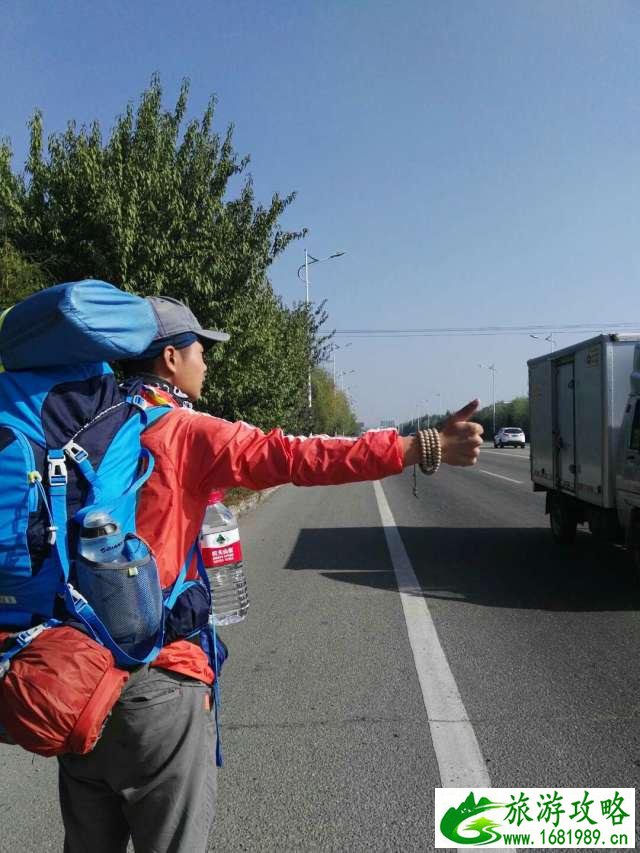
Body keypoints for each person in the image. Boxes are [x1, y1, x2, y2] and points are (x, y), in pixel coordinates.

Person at [57, 295, 484, 853]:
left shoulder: (81, 429)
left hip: (72, 681)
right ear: (167, 359)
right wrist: (421, 444)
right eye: (198, 349)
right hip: (155, 686)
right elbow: (298, 457)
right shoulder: (184, 432)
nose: (206, 361)